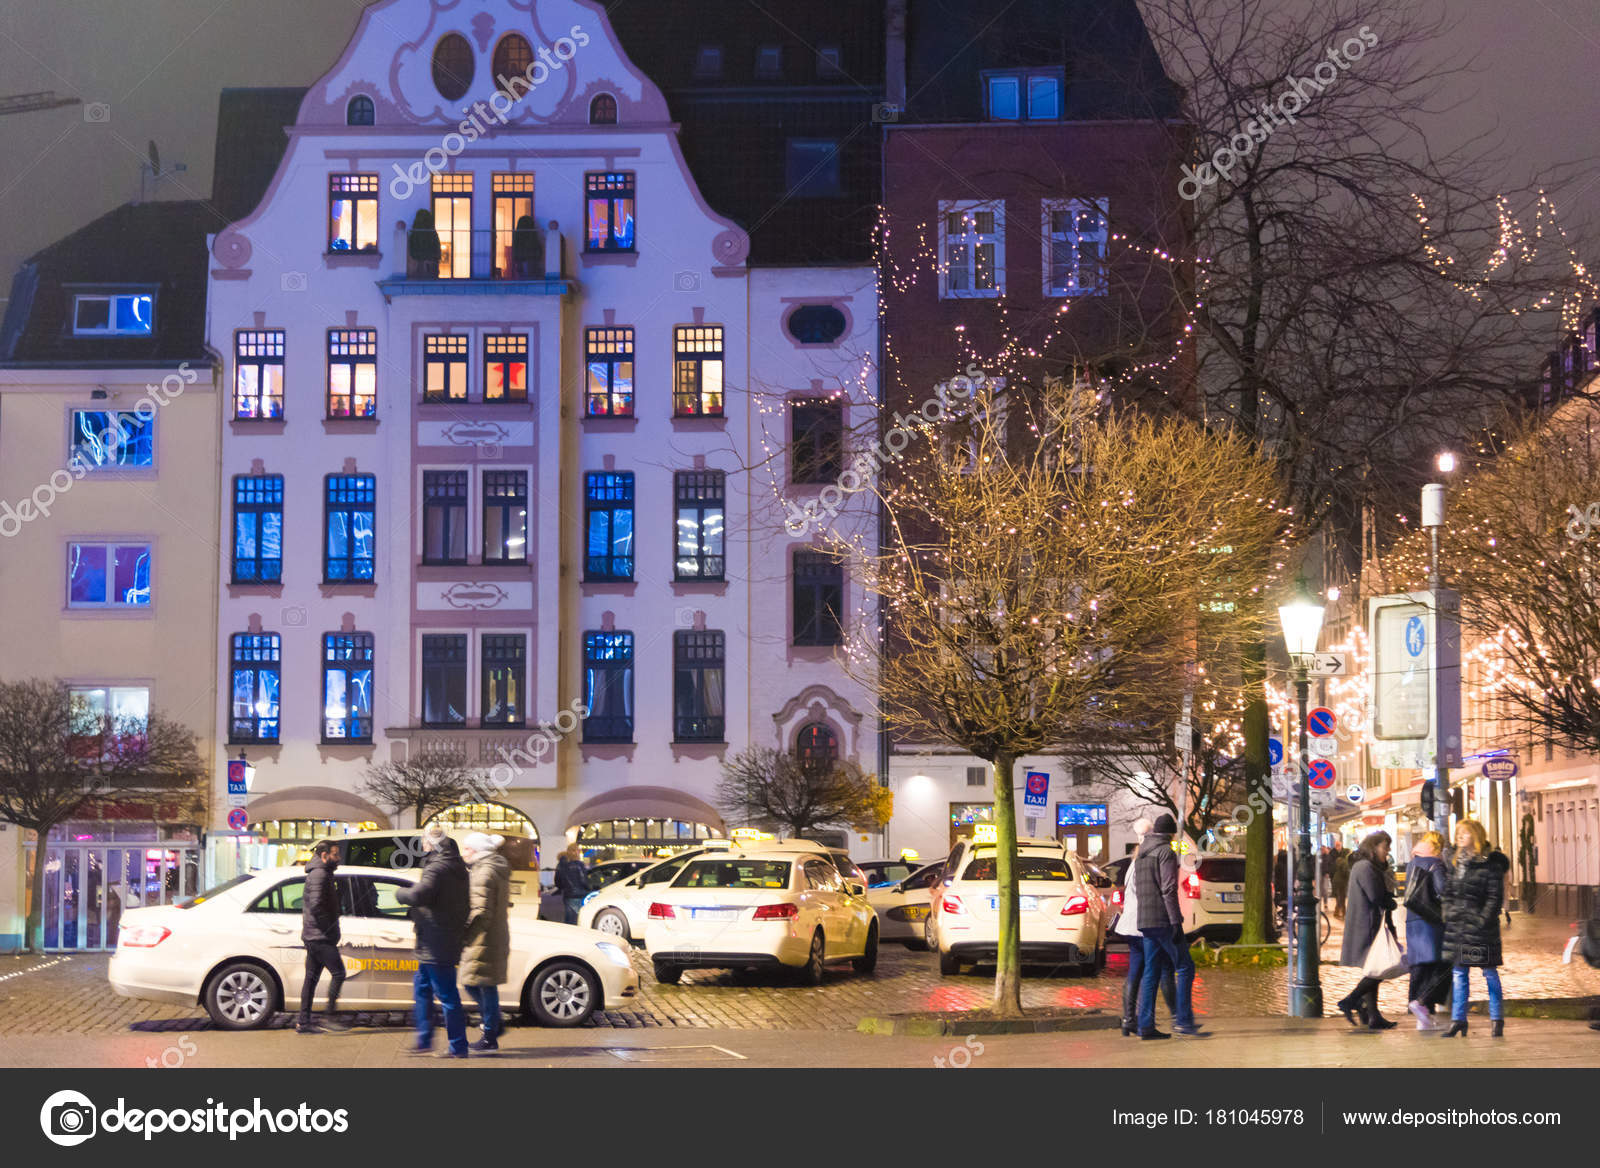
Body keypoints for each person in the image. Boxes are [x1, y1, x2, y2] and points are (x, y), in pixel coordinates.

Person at [395, 824, 472, 1057]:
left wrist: (401, 894)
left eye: (424, 841)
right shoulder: (457, 867)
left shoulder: (437, 867)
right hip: (440, 938)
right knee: (422, 988)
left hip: (435, 941)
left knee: (447, 995)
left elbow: (420, 894)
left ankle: (458, 1046)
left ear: (432, 843)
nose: (422, 845)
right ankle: (425, 1040)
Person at [1133, 814, 1200, 1039]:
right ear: (1170, 834)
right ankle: (1183, 1021)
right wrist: (1175, 922)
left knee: (1151, 972)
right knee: (1185, 967)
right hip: (1163, 920)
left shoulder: (1141, 855)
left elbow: (1138, 887)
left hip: (1145, 921)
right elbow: (1169, 889)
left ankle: (1146, 1025)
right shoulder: (1165, 853)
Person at [1442, 818, 1510, 1038]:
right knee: (1459, 973)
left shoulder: (1490, 864)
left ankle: (1496, 1019)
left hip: (1480, 931)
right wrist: (1449, 912)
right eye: (1458, 833)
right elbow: (1448, 893)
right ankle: (1458, 1020)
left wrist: (1481, 920)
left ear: (1476, 836)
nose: (1460, 837)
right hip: (1458, 928)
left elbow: (1494, 898)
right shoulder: (1457, 864)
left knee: (1489, 972)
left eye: (1465, 833)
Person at [1116, 817, 1176, 1036]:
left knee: (1135, 972)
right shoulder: (1150, 857)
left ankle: (1128, 1020)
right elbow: (1159, 892)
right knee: (1159, 971)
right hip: (1146, 923)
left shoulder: (1136, 859)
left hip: (1131, 923)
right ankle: (1170, 1019)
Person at [1335, 830, 1398, 1030]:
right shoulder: (1365, 867)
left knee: (1374, 968)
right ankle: (1351, 1000)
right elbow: (1375, 896)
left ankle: (1372, 1014)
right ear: (1374, 847)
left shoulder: (1364, 866)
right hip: (1367, 925)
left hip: (1368, 923)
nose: (1387, 851)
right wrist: (1390, 901)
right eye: (1384, 847)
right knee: (1377, 969)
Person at [460, 832, 512, 1052]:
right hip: (493, 934)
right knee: (482, 984)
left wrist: (463, 935)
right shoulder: (494, 868)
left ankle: (491, 1033)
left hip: (484, 937)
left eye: (467, 849)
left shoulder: (484, 871)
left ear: (477, 851)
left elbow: (480, 911)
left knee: (476, 983)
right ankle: (493, 1025)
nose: (464, 854)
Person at [297, 840, 349, 1034]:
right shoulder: (320, 874)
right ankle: (329, 1017)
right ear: (325, 856)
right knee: (339, 973)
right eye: (335, 854)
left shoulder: (321, 873)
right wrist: (329, 931)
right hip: (320, 937)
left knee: (311, 979)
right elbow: (318, 906)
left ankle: (303, 1022)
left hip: (313, 935)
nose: (338, 858)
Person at [1403, 830, 1450, 1029]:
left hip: (1413, 920)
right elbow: (1442, 890)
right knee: (1441, 965)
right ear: (1439, 847)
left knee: (1420, 967)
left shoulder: (1412, 862)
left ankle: (1423, 1017)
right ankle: (1423, 1004)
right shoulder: (1435, 863)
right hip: (1431, 920)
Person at [555, 843, 591, 925]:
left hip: (568, 895)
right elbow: (584, 881)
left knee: (569, 920)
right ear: (577, 852)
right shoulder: (580, 865)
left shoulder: (561, 865)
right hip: (580, 895)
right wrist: (589, 888)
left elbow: (557, 882)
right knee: (580, 920)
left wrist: (564, 888)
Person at [1331, 846, 1352, 920]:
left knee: (1339, 897)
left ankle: (1337, 912)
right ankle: (1344, 913)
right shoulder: (1345, 862)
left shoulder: (1338, 860)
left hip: (1336, 880)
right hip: (1341, 881)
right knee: (1341, 897)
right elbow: (1345, 872)